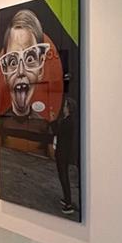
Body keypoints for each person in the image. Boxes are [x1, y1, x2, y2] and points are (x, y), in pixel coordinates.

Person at [0, 8, 50, 119]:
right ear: (5, 72)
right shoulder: (2, 123)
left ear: (40, 70)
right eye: (12, 61)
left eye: (30, 59)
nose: (21, 71)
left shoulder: (44, 126)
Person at [48, 79, 78, 215]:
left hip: (62, 153)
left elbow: (57, 132)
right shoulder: (68, 120)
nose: (63, 107)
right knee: (62, 176)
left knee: (63, 177)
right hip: (63, 152)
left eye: (65, 105)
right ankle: (66, 199)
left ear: (69, 108)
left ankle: (68, 204)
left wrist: (52, 120)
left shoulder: (67, 122)